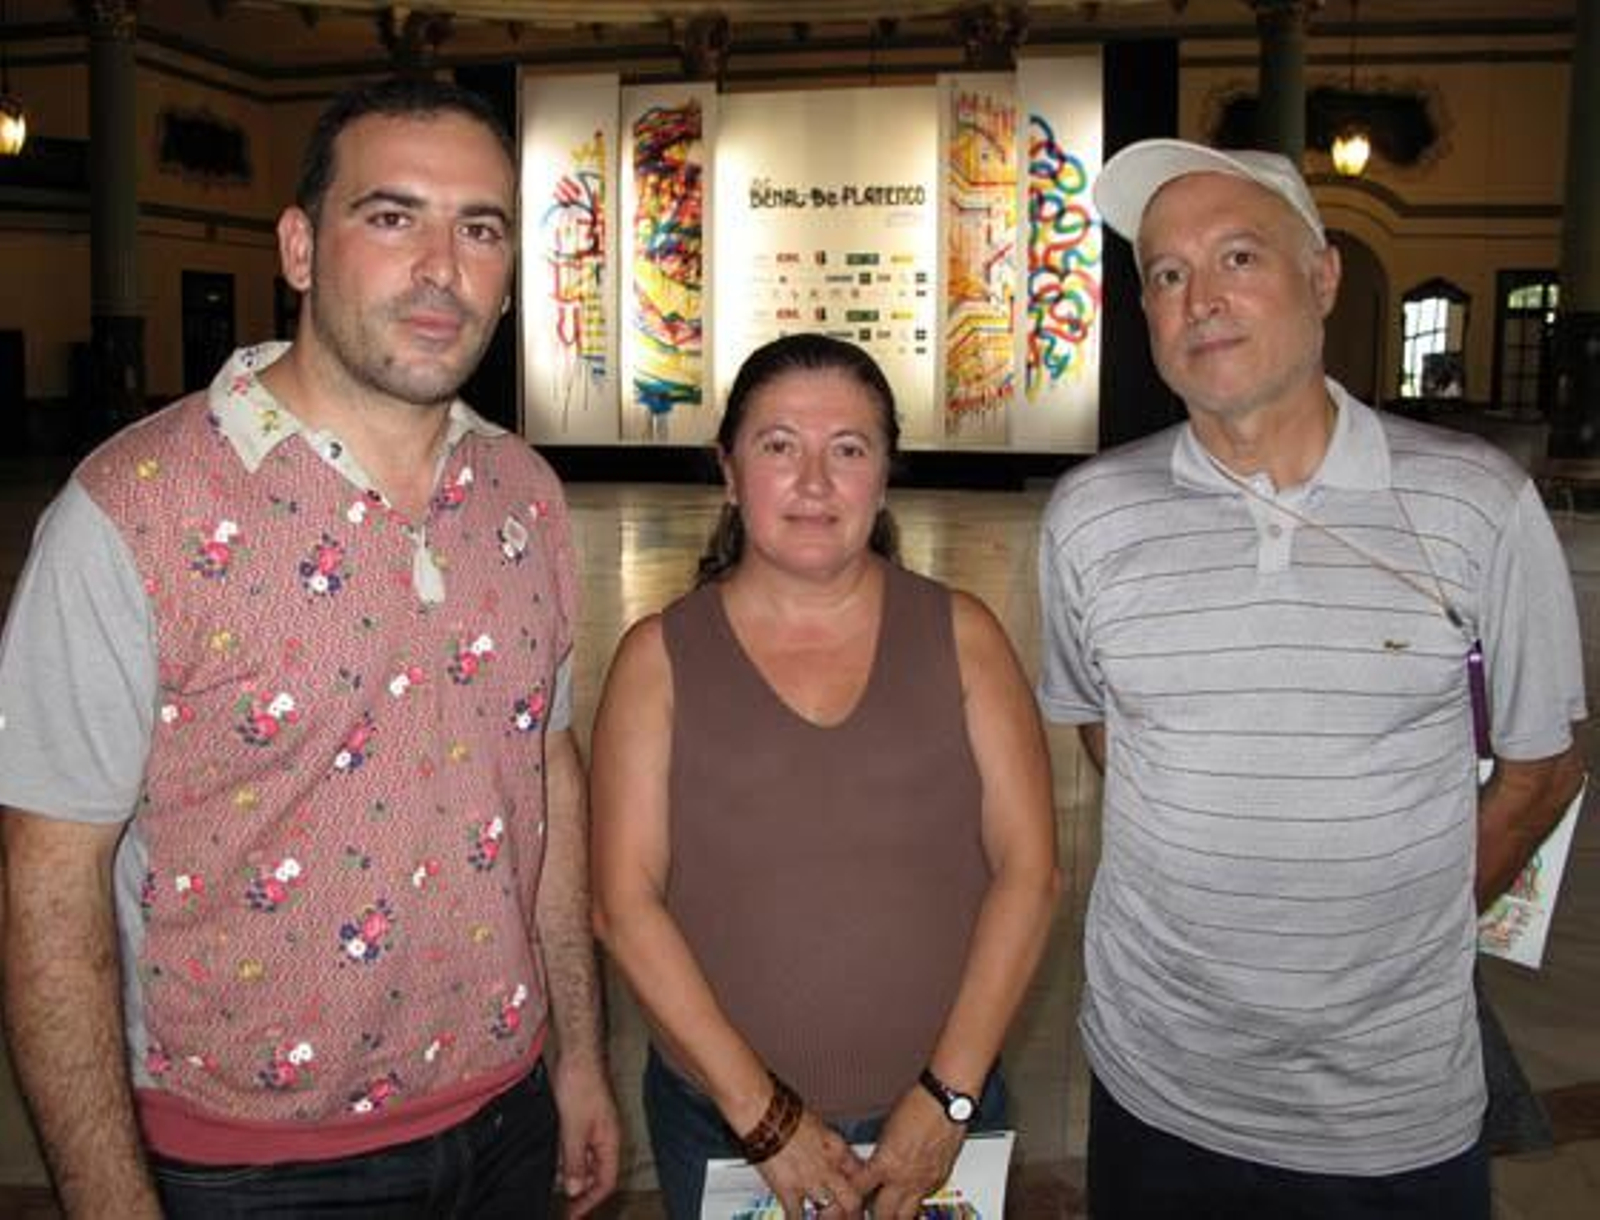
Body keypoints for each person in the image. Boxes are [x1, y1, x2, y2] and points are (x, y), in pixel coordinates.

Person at [0, 78, 620, 1219]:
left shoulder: (524, 497)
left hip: (507, 1105)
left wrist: (579, 1049)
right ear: (299, 245)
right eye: (393, 217)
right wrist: (106, 1197)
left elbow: (548, 774)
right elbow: (47, 885)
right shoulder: (135, 512)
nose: (443, 266)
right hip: (250, 1163)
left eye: (479, 228)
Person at [1038, 137, 1587, 1218]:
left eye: (1238, 257)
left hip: (1388, 1106)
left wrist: (1405, 917)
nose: (1200, 299)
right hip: (1156, 1086)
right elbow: (1111, 736)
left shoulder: (1475, 503)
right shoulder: (1088, 517)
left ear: (1322, 274)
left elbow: (1540, 769)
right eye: (1165, 273)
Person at [590, 333, 1060, 1220]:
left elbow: (1030, 876)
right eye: (779, 447)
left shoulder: (963, 638)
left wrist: (948, 1096)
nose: (814, 482)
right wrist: (764, 1118)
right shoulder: (660, 658)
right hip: (723, 1127)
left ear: (884, 476)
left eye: (848, 450)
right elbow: (624, 903)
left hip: (943, 1118)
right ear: (729, 472)